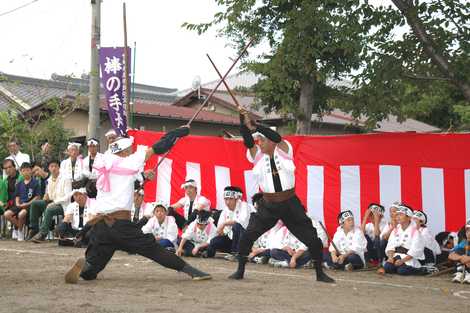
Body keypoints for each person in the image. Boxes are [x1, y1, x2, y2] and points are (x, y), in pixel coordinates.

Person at [64, 126, 212, 284]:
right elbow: (158, 147)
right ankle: (192, 271)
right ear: (124, 151)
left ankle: (85, 269)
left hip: (101, 226)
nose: (131, 152)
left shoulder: (106, 164)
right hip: (121, 226)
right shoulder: (129, 162)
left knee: (93, 268)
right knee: (152, 249)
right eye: (129, 150)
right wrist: (179, 132)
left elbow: (121, 182)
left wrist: (141, 176)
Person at [229, 111, 334, 282]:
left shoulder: (284, 150)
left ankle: (320, 273)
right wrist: (242, 121)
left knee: (312, 238)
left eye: (262, 140)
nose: (259, 143)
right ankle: (240, 270)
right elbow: (248, 141)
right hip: (268, 204)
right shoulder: (257, 156)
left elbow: (277, 137)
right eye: (259, 140)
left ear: (270, 141)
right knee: (248, 235)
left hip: (289, 203)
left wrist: (256, 126)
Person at [29, 159, 71, 241]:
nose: (54, 168)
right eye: (52, 166)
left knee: (49, 209)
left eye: (56, 166)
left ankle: (42, 234)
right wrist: (46, 196)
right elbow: (49, 195)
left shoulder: (66, 178)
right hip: (51, 202)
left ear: (59, 168)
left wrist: (54, 202)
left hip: (63, 205)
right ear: (48, 168)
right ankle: (34, 229)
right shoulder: (49, 180)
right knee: (35, 204)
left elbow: (68, 196)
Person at [207, 186, 252, 260]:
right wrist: (220, 231)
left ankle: (236, 254)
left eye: (230, 199)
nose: (227, 202)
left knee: (236, 226)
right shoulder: (225, 210)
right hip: (230, 238)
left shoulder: (244, 206)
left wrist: (225, 224)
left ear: (237, 199)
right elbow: (220, 230)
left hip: (244, 239)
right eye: (226, 199)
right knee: (214, 242)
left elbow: (242, 221)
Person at [384, 204, 426, 275]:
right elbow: (390, 246)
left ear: (409, 217)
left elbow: (415, 250)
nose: (398, 217)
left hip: (408, 258)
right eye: (397, 215)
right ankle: (398, 267)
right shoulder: (395, 230)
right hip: (396, 256)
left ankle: (421, 270)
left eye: (401, 215)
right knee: (387, 267)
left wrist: (402, 260)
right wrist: (390, 257)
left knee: (402, 271)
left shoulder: (415, 232)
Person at [4, 162, 41, 241]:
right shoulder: (19, 184)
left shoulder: (35, 182)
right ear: (21, 172)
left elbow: (37, 197)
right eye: (23, 171)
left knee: (22, 214)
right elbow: (17, 196)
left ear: (31, 171)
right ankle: (22, 227)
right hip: (19, 205)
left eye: (28, 170)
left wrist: (27, 203)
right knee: (6, 214)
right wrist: (17, 203)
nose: (26, 172)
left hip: (30, 205)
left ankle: (20, 231)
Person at [0, 159, 23, 223]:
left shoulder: (21, 178)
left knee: (7, 213)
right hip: (8, 205)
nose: (8, 170)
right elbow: (4, 196)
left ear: (14, 167)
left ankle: (19, 228)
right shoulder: (5, 181)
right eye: (5, 168)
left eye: (10, 167)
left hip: (19, 204)